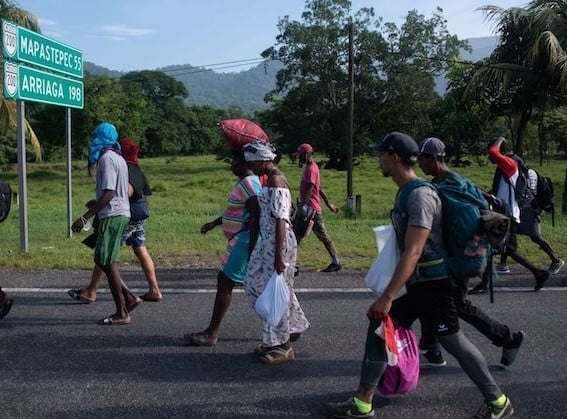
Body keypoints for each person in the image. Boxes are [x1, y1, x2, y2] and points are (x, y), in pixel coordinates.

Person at [325, 132, 513, 419]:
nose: (378, 160)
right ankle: (363, 402)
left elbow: (414, 251)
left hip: (434, 284)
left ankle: (498, 402)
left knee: (454, 342)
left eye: (381, 154)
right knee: (380, 328)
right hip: (418, 283)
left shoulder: (420, 196)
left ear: (395, 157)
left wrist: (388, 296)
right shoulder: (407, 192)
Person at [417, 137, 524, 368]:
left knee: (457, 304)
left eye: (422, 158)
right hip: (470, 252)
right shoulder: (461, 182)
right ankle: (430, 346)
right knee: (429, 295)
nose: (419, 163)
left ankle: (507, 338)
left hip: (458, 256)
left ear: (434, 158)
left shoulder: (443, 189)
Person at [68, 137, 162, 304]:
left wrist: (99, 205)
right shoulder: (136, 167)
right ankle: (154, 290)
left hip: (128, 215)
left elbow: (125, 192)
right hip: (140, 213)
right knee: (140, 249)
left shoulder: (125, 166)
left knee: (106, 253)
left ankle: (91, 291)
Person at [242, 141, 310, 365]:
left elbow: (282, 219)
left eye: (253, 163)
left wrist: (279, 255)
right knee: (270, 288)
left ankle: (283, 346)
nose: (251, 168)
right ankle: (288, 330)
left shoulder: (276, 181)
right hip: (270, 240)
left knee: (268, 292)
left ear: (264, 160)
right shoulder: (270, 179)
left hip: (278, 242)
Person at [184, 153, 261, 346]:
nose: (232, 164)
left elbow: (257, 217)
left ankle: (212, 333)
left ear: (246, 162)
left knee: (225, 283)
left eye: (235, 161)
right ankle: (290, 326)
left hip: (244, 241)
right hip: (241, 239)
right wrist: (214, 223)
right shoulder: (246, 182)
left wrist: (251, 250)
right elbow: (236, 211)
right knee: (261, 285)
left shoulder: (249, 184)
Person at [71, 122, 141, 325]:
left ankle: (122, 312)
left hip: (113, 214)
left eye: (95, 137)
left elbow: (110, 193)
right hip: (117, 212)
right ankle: (128, 297)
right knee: (102, 260)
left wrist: (85, 217)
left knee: (107, 261)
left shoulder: (107, 159)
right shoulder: (118, 158)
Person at [482, 137, 550, 292]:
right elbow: (501, 190)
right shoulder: (504, 167)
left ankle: (484, 283)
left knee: (492, 245)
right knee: (507, 248)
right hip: (504, 213)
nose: (489, 156)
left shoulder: (510, 164)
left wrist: (498, 140)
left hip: (508, 215)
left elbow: (493, 152)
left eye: (489, 152)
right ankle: (538, 273)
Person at [496, 162, 564, 276]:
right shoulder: (521, 172)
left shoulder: (528, 174)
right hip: (521, 208)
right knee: (508, 235)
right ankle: (503, 264)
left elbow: (528, 193)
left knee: (535, 237)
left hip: (528, 209)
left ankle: (556, 260)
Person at [292, 143, 342, 273]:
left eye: (301, 156)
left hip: (310, 209)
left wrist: (303, 205)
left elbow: (310, 188)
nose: (299, 158)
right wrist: (328, 204)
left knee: (299, 235)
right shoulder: (310, 168)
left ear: (307, 154)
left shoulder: (311, 169)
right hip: (310, 208)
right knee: (297, 235)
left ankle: (336, 261)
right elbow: (318, 188)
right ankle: (290, 262)